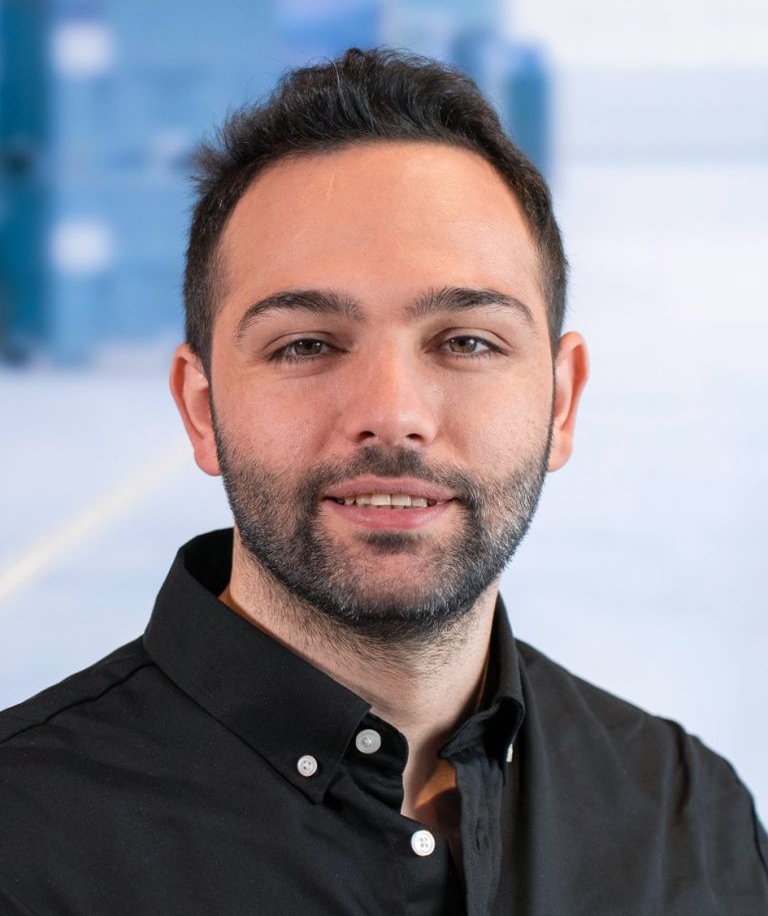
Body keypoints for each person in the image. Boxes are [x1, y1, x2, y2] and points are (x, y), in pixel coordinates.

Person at [1, 48, 766, 916]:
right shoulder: (22, 847)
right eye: (307, 345)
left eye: (467, 342)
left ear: (561, 403)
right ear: (201, 410)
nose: (393, 413)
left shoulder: (688, 817)